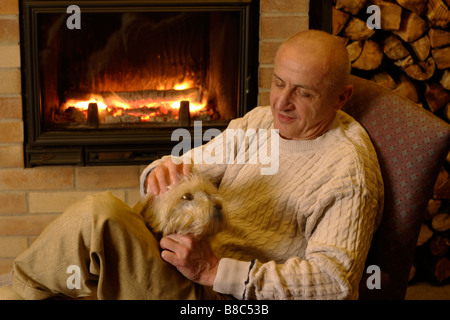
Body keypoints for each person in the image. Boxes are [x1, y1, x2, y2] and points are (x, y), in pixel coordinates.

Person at [0, 30, 383, 300]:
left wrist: (215, 271)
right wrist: (158, 174)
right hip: (182, 258)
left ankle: (20, 292)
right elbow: (187, 164)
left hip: (214, 292)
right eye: (279, 82)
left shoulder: (347, 172)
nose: (282, 102)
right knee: (102, 221)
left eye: (302, 92)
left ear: (341, 97)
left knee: (98, 218)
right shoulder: (262, 121)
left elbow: (335, 283)